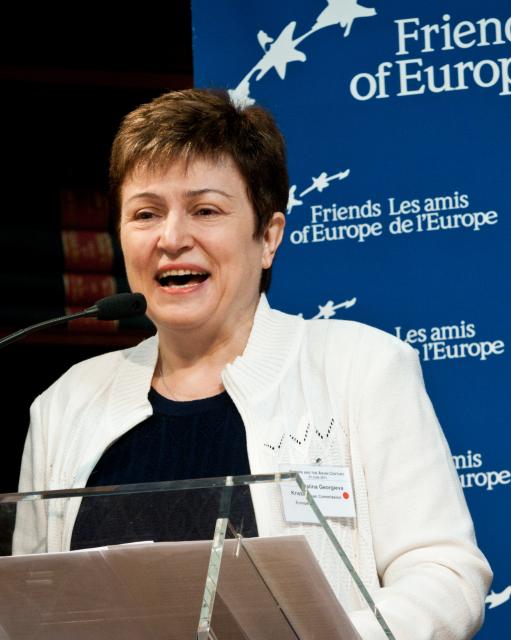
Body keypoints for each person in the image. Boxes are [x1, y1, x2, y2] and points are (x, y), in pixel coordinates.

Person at [13, 89, 491, 639]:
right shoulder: (65, 404)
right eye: (146, 213)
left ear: (268, 236)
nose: (171, 238)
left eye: (205, 210)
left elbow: (444, 574)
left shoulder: (362, 369)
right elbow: (30, 607)